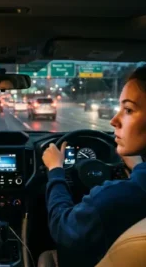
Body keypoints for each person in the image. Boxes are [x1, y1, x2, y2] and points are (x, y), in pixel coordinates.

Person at [41, 66, 146, 267]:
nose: (114, 121)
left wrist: (55, 170)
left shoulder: (113, 199)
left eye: (129, 110)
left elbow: (62, 227)